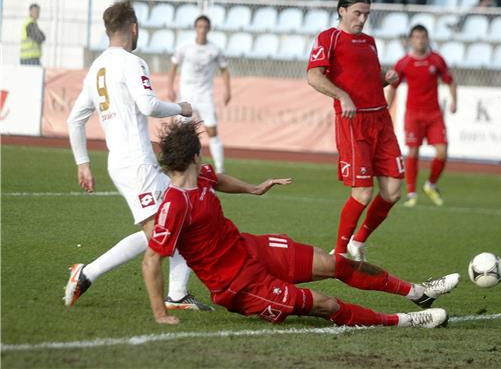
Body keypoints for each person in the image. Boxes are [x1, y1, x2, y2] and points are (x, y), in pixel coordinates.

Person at [142, 120, 460, 327]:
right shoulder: (175, 203)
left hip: (250, 248)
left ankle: (417, 292)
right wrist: (159, 313)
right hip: (237, 285)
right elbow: (152, 259)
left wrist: (253, 188)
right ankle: (406, 320)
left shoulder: (200, 177)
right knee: (326, 304)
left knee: (335, 263)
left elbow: (218, 179)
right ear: (195, 157)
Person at [64, 0, 212, 312]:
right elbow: (148, 105)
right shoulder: (131, 62)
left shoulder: (97, 69)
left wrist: (83, 163)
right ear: (133, 28)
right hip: (137, 162)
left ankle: (174, 293)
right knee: (166, 230)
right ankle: (91, 274)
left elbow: (74, 120)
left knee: (178, 219)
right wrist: (181, 108)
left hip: (122, 161)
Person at [306, 0, 403, 263]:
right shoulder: (329, 38)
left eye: (366, 15)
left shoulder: (369, 42)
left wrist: (387, 77)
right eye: (357, 13)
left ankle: (358, 241)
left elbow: (369, 78)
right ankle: (338, 253)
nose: (362, 19)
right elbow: (313, 76)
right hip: (353, 122)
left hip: (381, 120)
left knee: (393, 191)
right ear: (342, 11)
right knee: (362, 191)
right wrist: (342, 96)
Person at [390, 25, 457, 208]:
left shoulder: (436, 60)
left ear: (427, 39)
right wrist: (387, 108)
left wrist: (453, 101)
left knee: (442, 152)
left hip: (434, 114)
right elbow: (392, 87)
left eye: (423, 37)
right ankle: (411, 193)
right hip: (413, 114)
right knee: (413, 151)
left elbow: (450, 81)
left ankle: (430, 184)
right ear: (411, 39)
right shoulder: (403, 63)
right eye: (416, 37)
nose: (420, 40)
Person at [167, 15, 231, 174]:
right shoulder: (185, 47)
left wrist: (227, 90)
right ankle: (177, 164)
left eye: (205, 27)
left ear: (209, 29)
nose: (202, 30)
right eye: (199, 26)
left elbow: (224, 70)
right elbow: (174, 66)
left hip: (205, 95)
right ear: (195, 28)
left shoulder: (215, 49)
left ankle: (220, 169)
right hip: (186, 95)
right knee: (180, 130)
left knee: (212, 131)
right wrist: (170, 87)